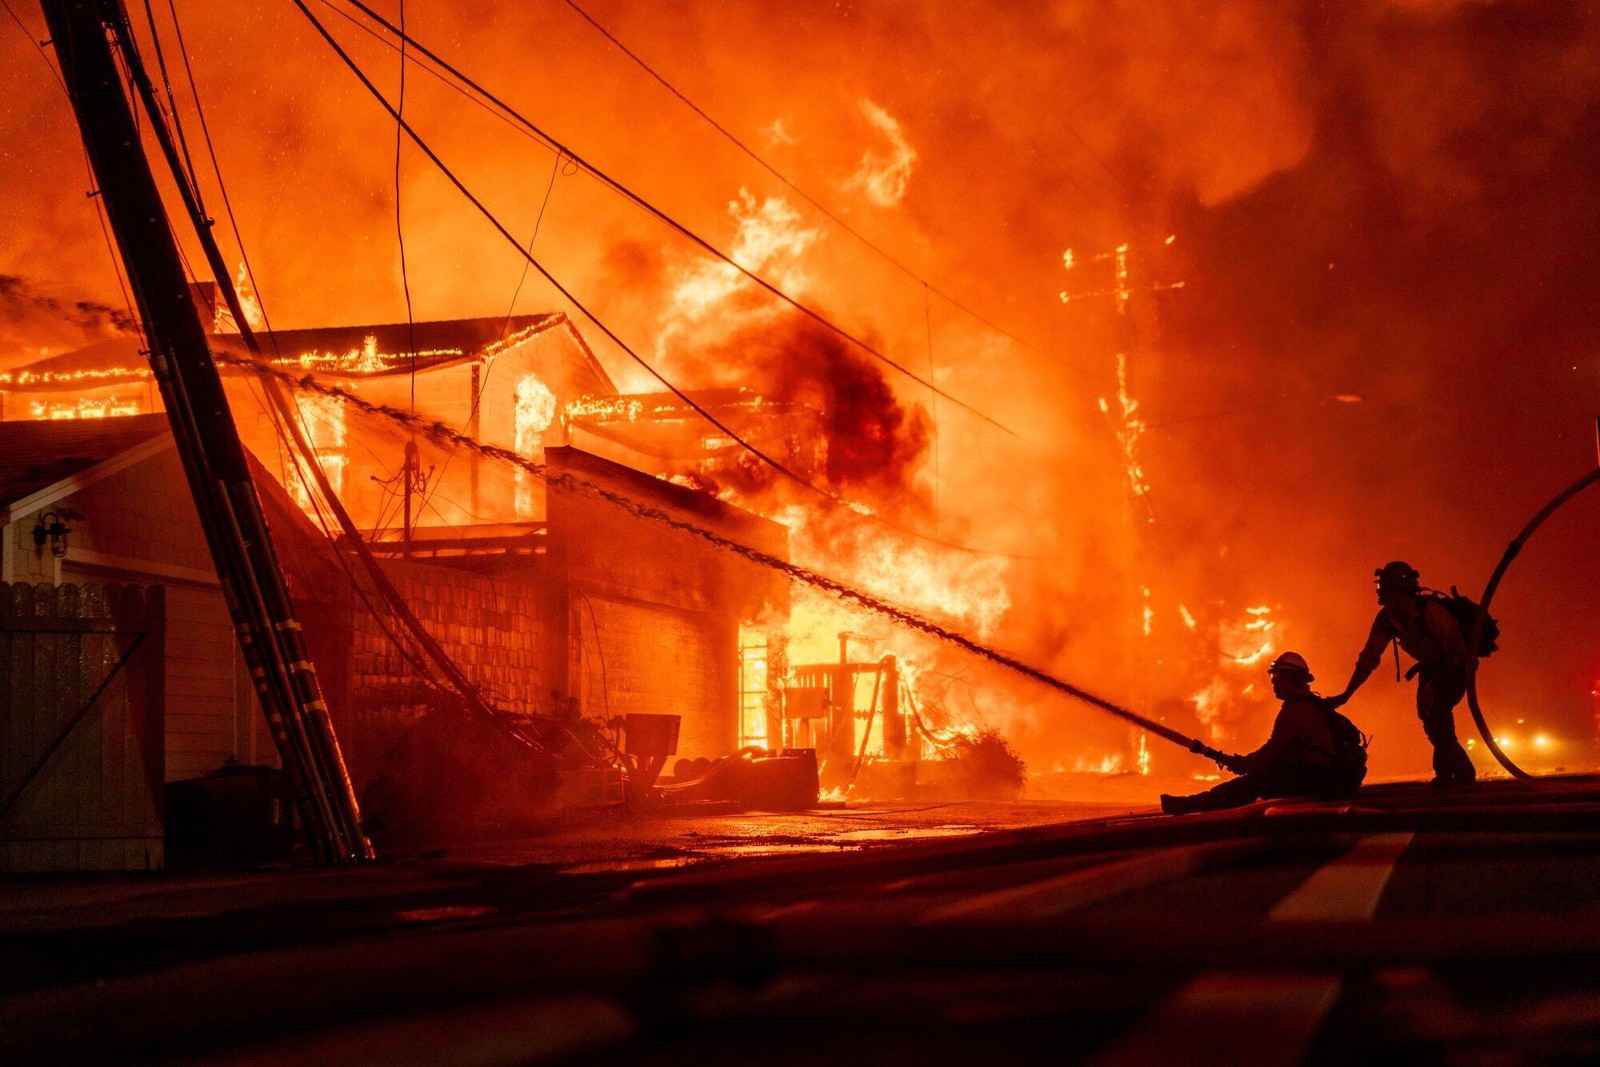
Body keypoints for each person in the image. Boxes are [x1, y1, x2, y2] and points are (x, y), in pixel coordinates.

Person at [1327, 560, 1476, 787]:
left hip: (1457, 665)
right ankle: (1446, 775)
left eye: (1384, 589)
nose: (1380, 595)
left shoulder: (1432, 614)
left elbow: (1459, 654)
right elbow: (1369, 658)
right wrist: (1347, 693)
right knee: (1430, 719)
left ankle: (1463, 775)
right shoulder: (1387, 619)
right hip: (1431, 666)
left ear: (1400, 591)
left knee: (1438, 712)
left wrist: (1435, 686)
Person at [1160, 652, 1352, 815]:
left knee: (1249, 785)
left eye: (1278, 679)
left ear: (1293, 680)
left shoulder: (1296, 710)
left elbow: (1274, 751)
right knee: (1257, 780)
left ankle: (1188, 806)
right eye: (1272, 679)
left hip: (1315, 780)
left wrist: (1247, 765)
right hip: (1319, 777)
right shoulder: (1310, 705)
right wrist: (1247, 761)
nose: (1274, 684)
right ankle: (1192, 803)